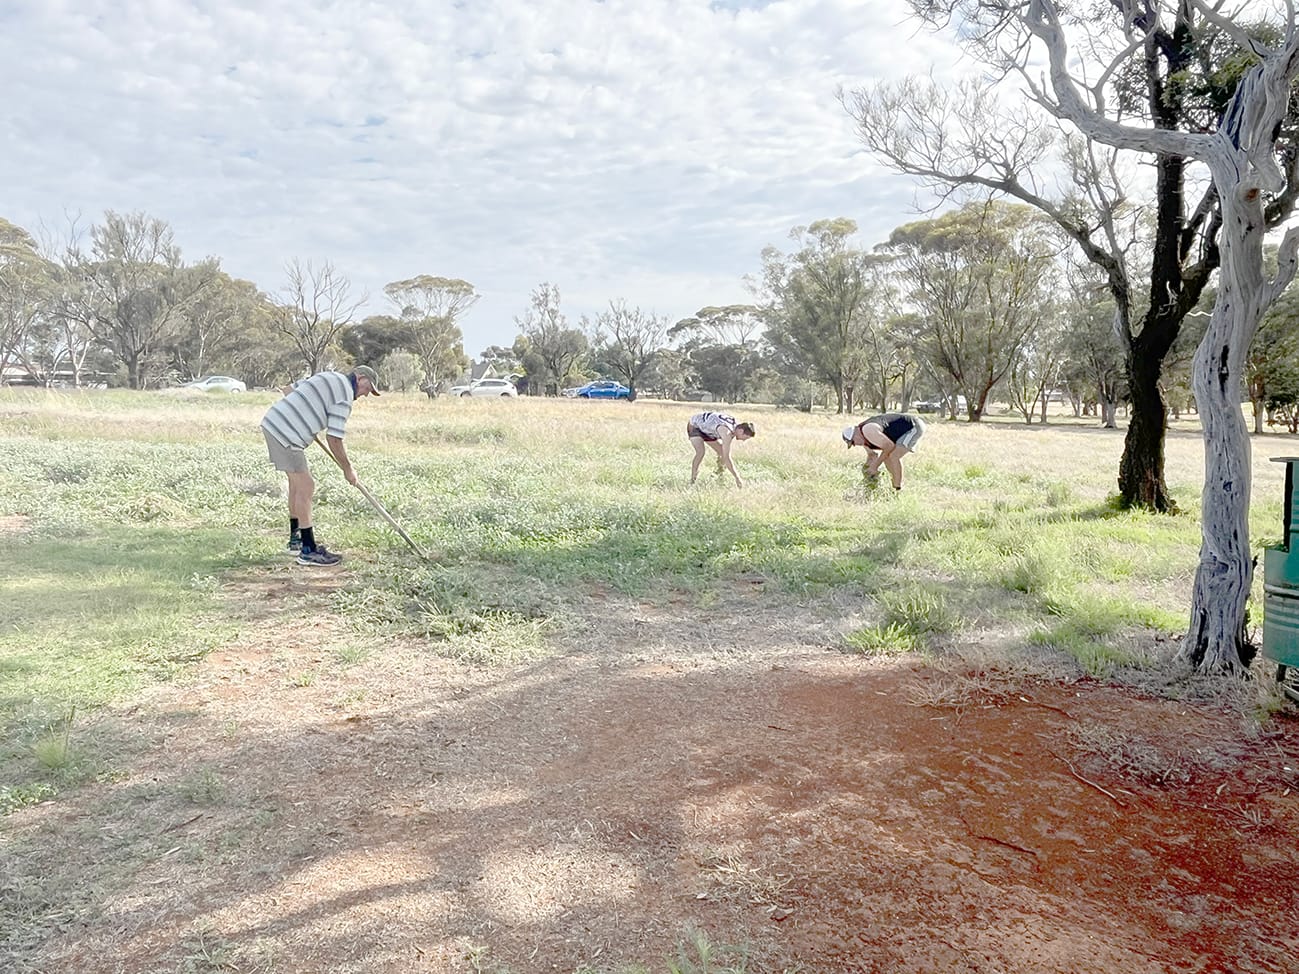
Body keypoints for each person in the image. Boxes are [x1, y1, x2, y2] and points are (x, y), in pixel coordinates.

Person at [261, 365, 381, 566]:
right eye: (368, 388)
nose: (366, 395)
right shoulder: (344, 396)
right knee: (307, 486)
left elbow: (289, 390)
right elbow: (334, 438)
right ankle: (308, 550)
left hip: (274, 423)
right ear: (359, 378)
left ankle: (296, 540)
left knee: (297, 485)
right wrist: (348, 469)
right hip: (285, 434)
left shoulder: (328, 376)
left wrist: (308, 414)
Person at [842, 411, 926, 492]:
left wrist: (875, 466)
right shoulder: (863, 439)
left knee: (894, 456)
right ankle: (894, 486)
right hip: (902, 432)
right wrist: (867, 470)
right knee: (887, 457)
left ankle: (898, 489)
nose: (855, 445)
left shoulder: (868, 430)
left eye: (853, 442)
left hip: (914, 426)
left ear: (855, 435)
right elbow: (872, 455)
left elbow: (889, 446)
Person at [687, 410, 756, 487]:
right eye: (745, 438)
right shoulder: (727, 433)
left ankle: (719, 474)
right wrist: (737, 478)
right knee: (700, 452)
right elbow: (727, 458)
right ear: (741, 431)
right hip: (695, 426)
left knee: (722, 453)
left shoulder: (735, 427)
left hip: (708, 430)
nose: (743, 440)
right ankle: (692, 480)